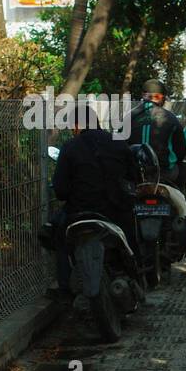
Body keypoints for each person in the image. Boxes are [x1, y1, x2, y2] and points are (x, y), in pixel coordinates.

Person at [48, 105, 139, 301]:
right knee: (131, 238)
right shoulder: (119, 143)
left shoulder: (70, 147)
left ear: (78, 125)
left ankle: (64, 289)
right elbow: (134, 177)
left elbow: (61, 190)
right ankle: (136, 277)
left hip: (80, 212)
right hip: (116, 211)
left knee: (59, 238)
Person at [128, 79, 186, 191]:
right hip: (165, 174)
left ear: (143, 96)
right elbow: (180, 152)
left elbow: (120, 146)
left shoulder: (129, 117)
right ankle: (182, 196)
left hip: (135, 174)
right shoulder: (170, 118)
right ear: (161, 98)